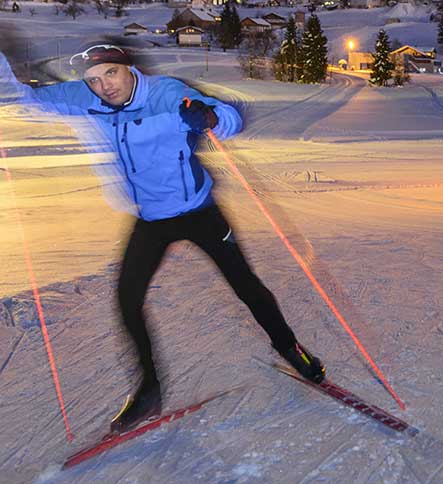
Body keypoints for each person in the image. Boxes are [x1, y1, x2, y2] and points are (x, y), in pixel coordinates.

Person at [0, 43, 326, 432]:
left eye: (110, 74)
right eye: (93, 80)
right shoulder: (85, 98)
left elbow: (228, 117)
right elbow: (25, 97)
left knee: (245, 284)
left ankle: (292, 349)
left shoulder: (165, 93)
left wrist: (207, 117)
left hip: (199, 212)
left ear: (129, 69)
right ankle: (149, 390)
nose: (104, 87)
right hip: (151, 220)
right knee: (127, 299)